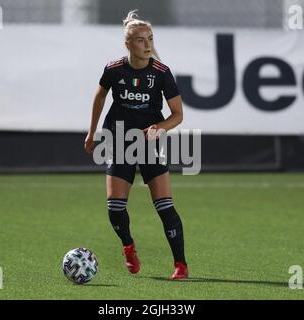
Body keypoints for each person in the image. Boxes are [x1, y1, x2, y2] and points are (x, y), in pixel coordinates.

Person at [84, 10, 188, 280]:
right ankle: (128, 247)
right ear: (128, 44)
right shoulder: (114, 69)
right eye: (141, 40)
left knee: (165, 206)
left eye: (150, 38)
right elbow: (99, 96)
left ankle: (181, 265)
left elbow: (178, 115)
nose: (147, 44)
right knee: (115, 208)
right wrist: (92, 131)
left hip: (149, 144)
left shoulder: (162, 73)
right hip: (119, 141)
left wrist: (158, 127)